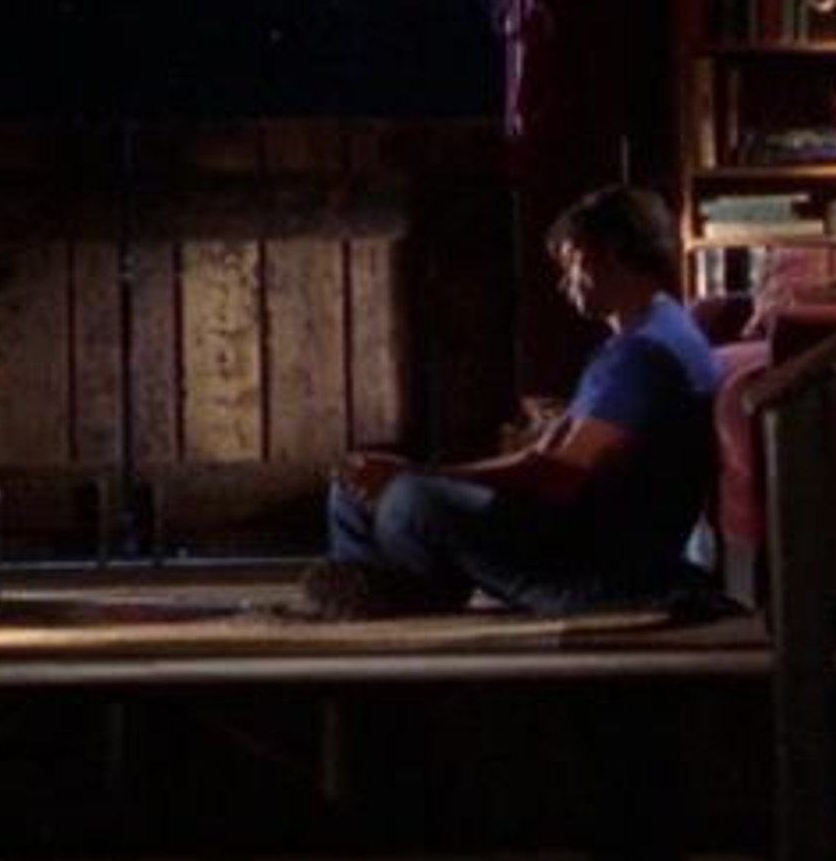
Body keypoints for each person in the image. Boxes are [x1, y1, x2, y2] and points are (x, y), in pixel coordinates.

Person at [305, 183, 720, 617]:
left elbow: (559, 476)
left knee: (407, 497)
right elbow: (550, 454)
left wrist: (418, 474)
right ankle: (396, 588)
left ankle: (395, 591)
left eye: (572, 262)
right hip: (579, 531)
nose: (564, 283)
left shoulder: (643, 353)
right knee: (355, 485)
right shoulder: (656, 332)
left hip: (591, 563)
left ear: (612, 251)